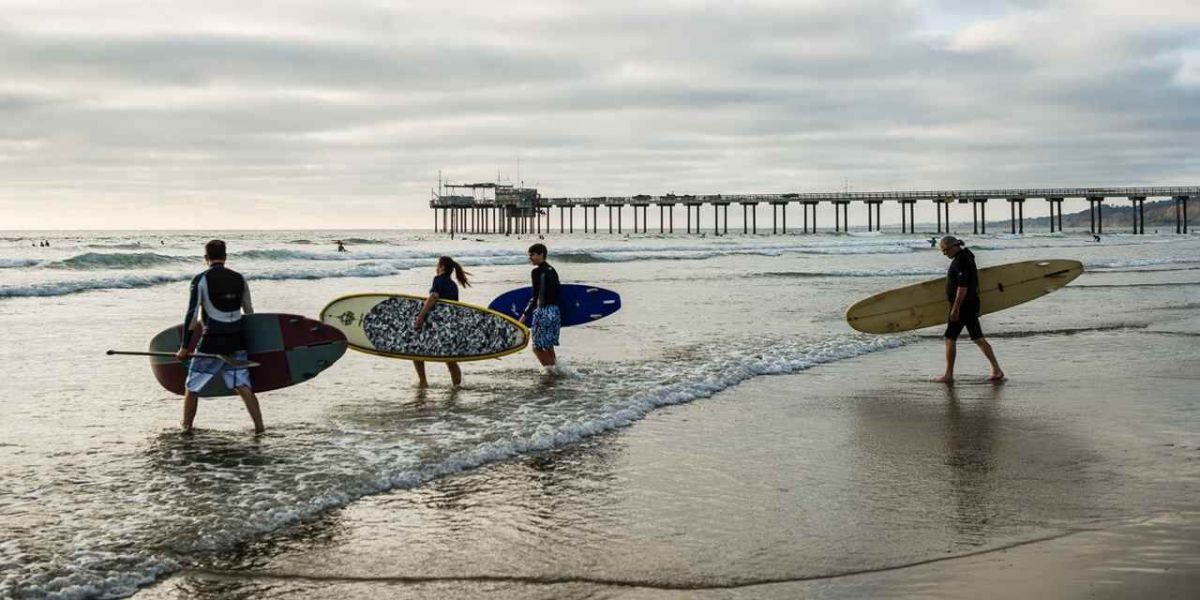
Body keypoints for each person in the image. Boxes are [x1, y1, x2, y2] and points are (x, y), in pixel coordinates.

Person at [175, 240, 264, 433]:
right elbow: (249, 311)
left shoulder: (201, 280)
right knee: (242, 385)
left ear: (206, 258)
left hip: (212, 342)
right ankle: (259, 427)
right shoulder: (239, 278)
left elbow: (192, 315)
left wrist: (185, 347)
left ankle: (186, 428)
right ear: (225, 257)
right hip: (237, 340)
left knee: (192, 387)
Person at [935, 236, 1004, 383]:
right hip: (969, 304)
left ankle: (949, 374)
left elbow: (963, 286)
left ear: (953, 246)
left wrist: (955, 308)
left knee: (951, 337)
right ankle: (997, 370)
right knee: (977, 338)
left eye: (945, 250)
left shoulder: (961, 260)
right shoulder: (966, 256)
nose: (944, 254)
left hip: (964, 306)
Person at [413, 256, 470, 387]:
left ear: (442, 267)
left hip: (436, 325)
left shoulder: (438, 279)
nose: (436, 267)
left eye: (437, 265)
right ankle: (456, 387)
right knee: (449, 358)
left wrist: (421, 316)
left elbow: (434, 296)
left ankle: (423, 382)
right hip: (449, 326)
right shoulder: (453, 285)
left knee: (416, 351)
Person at [519, 243, 561, 372]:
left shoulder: (536, 272)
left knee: (537, 347)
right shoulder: (552, 270)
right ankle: (557, 370)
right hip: (555, 311)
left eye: (532, 255)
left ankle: (551, 373)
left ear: (541, 254)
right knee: (548, 346)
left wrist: (524, 316)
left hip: (543, 311)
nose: (530, 258)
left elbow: (535, 296)